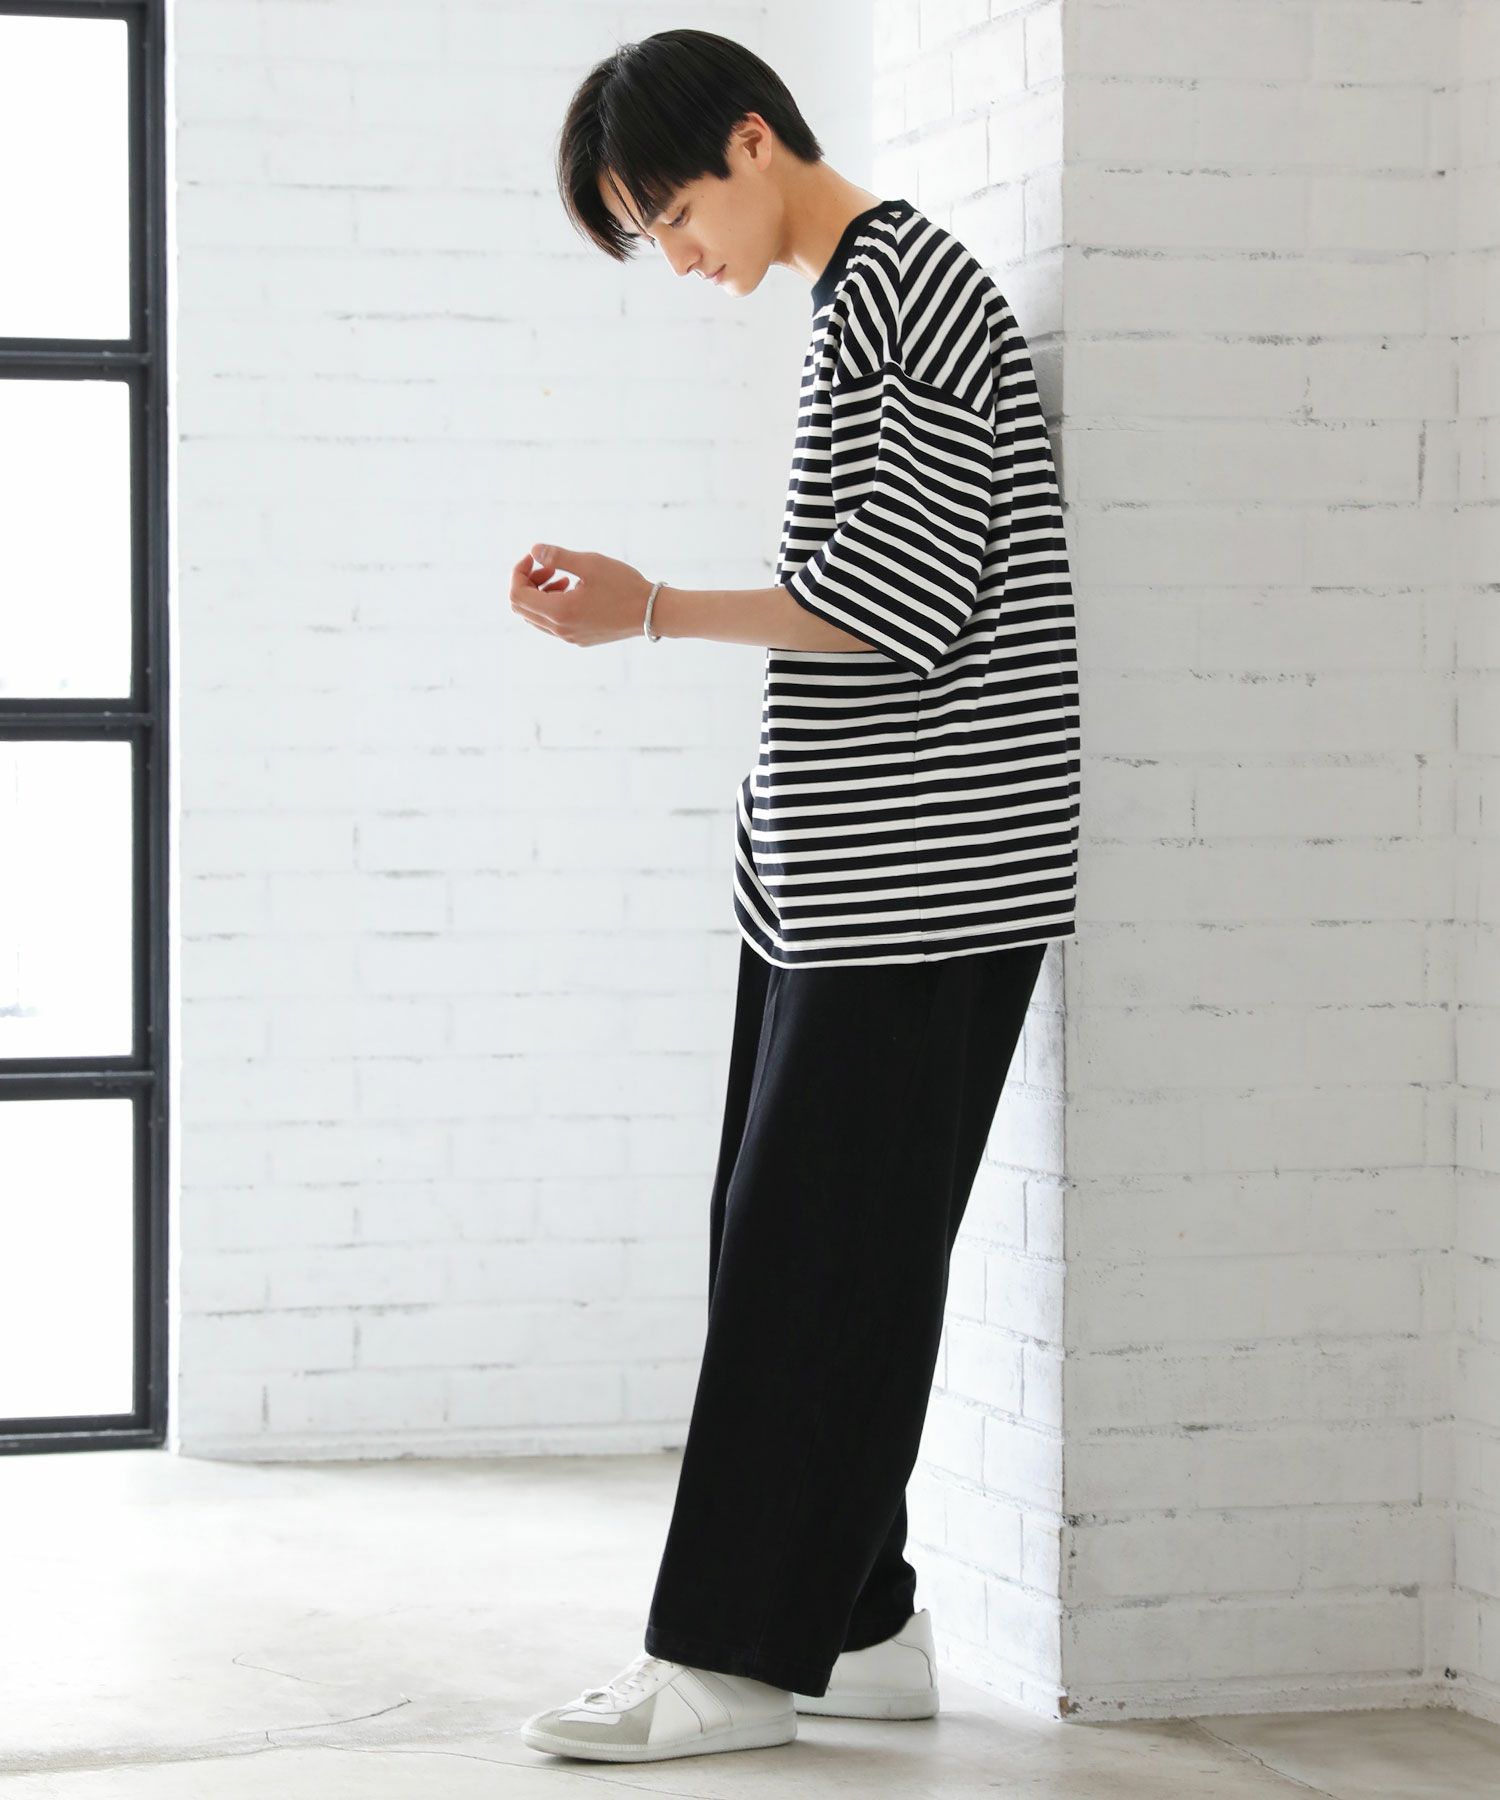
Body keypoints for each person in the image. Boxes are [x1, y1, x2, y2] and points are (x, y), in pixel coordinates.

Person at [511, 27, 1080, 1765]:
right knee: (803, 1250)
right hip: (848, 879)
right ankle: (859, 1625)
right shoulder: (861, 301)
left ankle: (729, 1667)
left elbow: (894, 604)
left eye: (677, 217)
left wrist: (650, 608)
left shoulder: (906, 290)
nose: (683, 260)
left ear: (754, 142)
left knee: (809, 1266)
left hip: (921, 878)